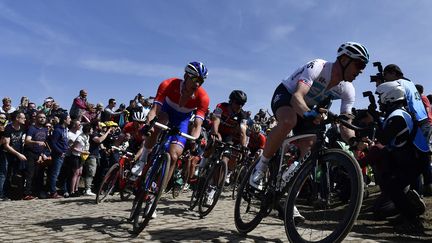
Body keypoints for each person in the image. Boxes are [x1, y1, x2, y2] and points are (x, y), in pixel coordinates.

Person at [250, 42, 369, 190]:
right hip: (288, 95)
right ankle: (261, 166)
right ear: (344, 60)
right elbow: (297, 97)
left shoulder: (348, 90)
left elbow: (345, 122)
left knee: (311, 146)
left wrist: (353, 140)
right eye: (359, 65)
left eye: (364, 67)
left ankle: (287, 192)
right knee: (289, 121)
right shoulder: (319, 66)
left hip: (307, 106)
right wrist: (308, 113)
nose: (361, 71)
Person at [130, 61, 210, 215]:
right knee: (160, 123)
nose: (198, 84)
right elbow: (154, 109)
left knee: (174, 156)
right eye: (195, 80)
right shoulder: (169, 83)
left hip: (182, 121)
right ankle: (143, 158)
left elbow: (198, 124)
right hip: (165, 113)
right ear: (186, 76)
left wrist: (194, 139)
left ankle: (154, 199)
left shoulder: (203, 97)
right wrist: (149, 125)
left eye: (201, 81)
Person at [375, 82, 428, 232]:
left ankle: (412, 220)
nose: (379, 101)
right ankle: (409, 211)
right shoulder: (400, 112)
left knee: (393, 186)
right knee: (390, 182)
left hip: (413, 161)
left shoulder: (397, 116)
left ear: (389, 96)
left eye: (380, 97)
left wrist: (374, 119)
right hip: (413, 159)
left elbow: (384, 138)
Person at [199, 90, 248, 188]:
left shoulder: (243, 115)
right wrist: (215, 133)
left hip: (228, 136)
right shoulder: (221, 106)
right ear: (231, 101)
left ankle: (214, 187)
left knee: (225, 158)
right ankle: (202, 164)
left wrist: (243, 146)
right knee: (213, 143)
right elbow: (216, 120)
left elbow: (243, 132)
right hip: (217, 130)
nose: (240, 106)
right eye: (238, 103)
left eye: (242, 104)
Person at [23, 111, 48, 200]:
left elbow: (44, 143)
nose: (42, 119)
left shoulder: (45, 129)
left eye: (44, 117)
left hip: (39, 154)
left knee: (39, 174)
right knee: (30, 174)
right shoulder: (32, 128)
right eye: (40, 117)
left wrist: (42, 154)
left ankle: (37, 192)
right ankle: (27, 194)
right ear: (36, 118)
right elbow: (27, 140)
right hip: (30, 153)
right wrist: (37, 142)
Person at [47, 112, 70, 199]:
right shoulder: (57, 130)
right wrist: (60, 152)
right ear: (64, 120)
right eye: (68, 118)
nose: (70, 120)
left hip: (64, 155)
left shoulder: (65, 129)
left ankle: (64, 190)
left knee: (63, 174)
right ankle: (53, 192)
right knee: (55, 174)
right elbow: (53, 143)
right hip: (58, 155)